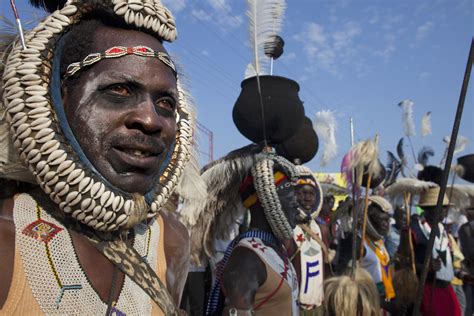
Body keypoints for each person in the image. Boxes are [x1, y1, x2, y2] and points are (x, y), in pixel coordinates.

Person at [0, 0, 196, 314]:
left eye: (166, 104)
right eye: (119, 90)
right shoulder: (7, 241)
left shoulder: (169, 240)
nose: (151, 120)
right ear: (56, 100)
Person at [411, 187, 462, 316]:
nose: (444, 211)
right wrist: (426, 267)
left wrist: (462, 274)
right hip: (427, 289)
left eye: (445, 207)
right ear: (427, 209)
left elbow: (447, 263)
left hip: (447, 289)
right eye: (441, 207)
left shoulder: (444, 231)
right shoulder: (414, 230)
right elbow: (404, 265)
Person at [291, 165, 331, 315]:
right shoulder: (286, 229)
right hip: (293, 307)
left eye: (311, 194)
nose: (307, 198)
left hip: (318, 306)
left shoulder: (323, 230)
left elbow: (326, 269)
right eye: (302, 193)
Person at [459, 202, 474, 316]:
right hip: (470, 271)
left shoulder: (465, 228)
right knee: (467, 306)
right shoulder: (465, 228)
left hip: (469, 269)